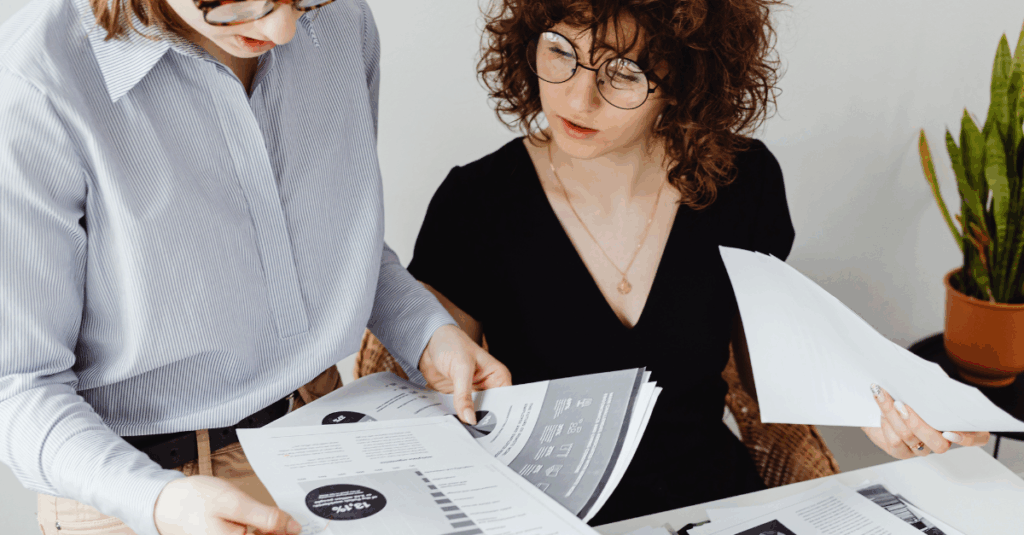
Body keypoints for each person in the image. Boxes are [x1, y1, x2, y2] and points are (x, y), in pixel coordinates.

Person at [406, 0, 990, 525]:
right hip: (541, 515)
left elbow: (768, 371)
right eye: (559, 51)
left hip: (712, 509)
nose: (576, 98)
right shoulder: (477, 203)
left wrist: (879, 407)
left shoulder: (742, 181)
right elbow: (430, 403)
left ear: (684, 81)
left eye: (624, 73)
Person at [0, 0, 512, 534]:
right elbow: (17, 388)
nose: (284, 29)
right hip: (136, 486)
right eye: (241, 2)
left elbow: (329, 233)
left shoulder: (343, 24)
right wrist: (157, 503)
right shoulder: (33, 86)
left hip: (326, 425)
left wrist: (425, 331)